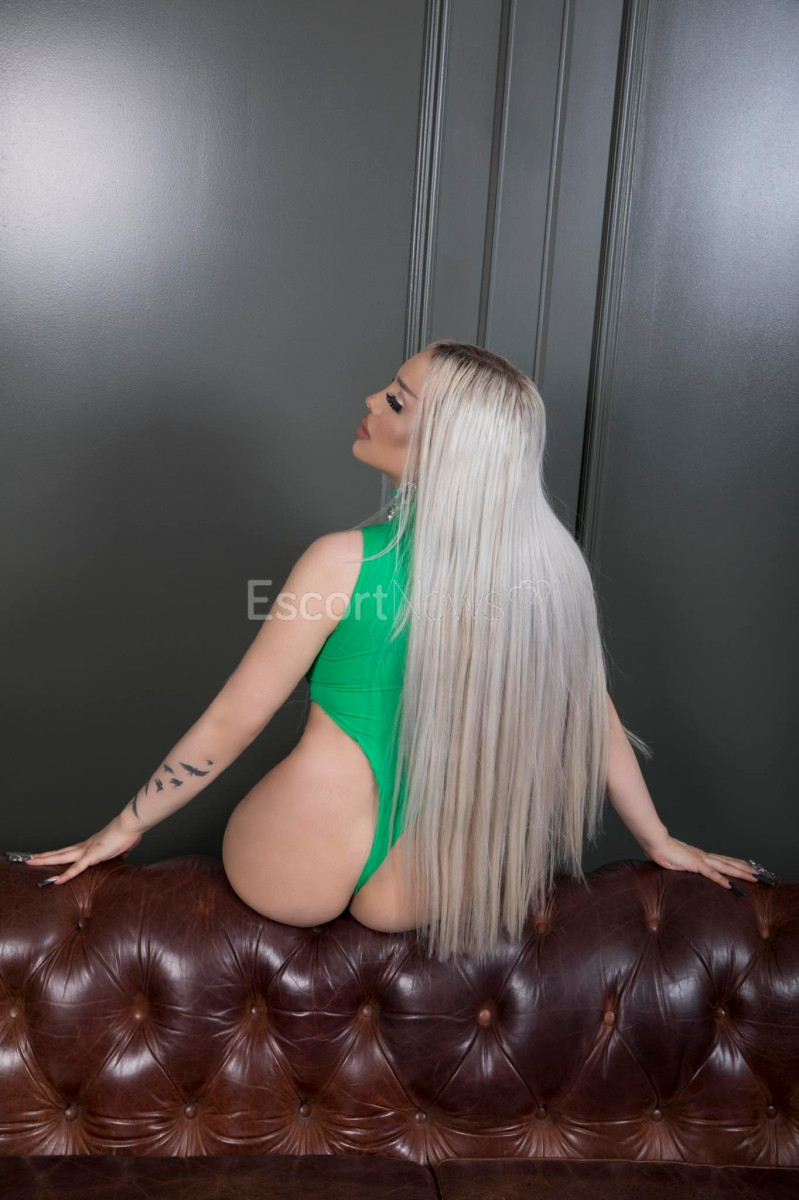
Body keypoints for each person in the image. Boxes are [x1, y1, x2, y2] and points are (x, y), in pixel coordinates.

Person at [8, 340, 773, 964]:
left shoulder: (341, 562)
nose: (372, 399)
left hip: (297, 846)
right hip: (430, 870)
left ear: (445, 445)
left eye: (398, 400)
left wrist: (123, 827)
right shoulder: (549, 578)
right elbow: (593, 718)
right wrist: (656, 839)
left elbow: (234, 718)